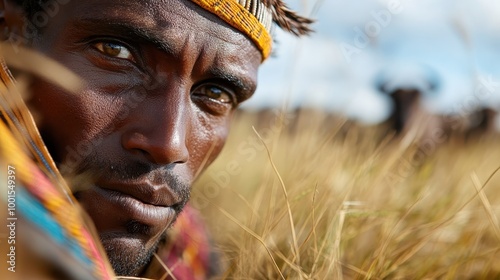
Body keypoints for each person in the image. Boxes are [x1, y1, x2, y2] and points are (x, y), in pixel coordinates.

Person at [0, 0, 312, 278]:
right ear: (8, 29)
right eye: (116, 52)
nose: (170, 145)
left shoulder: (189, 258)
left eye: (215, 93)